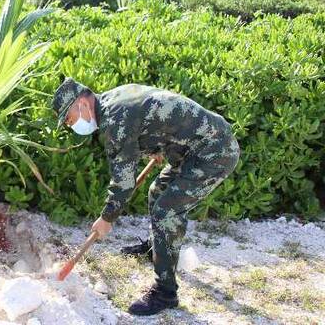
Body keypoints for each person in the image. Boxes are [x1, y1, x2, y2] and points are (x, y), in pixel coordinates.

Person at [52, 78, 240, 316]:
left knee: (167, 211)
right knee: (157, 192)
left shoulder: (115, 122)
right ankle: (158, 249)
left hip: (214, 152)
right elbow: (151, 116)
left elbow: (123, 182)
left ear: (82, 104)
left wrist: (106, 218)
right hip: (193, 148)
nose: (71, 126)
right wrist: (156, 144)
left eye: (69, 119)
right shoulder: (113, 99)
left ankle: (165, 293)